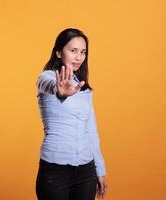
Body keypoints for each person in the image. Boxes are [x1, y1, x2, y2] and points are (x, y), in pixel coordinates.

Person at [35, 28, 108, 200]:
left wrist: (100, 169)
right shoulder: (46, 78)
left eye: (83, 52)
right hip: (55, 171)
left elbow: (91, 130)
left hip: (86, 171)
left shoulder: (84, 89)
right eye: (73, 50)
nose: (78, 57)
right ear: (59, 52)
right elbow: (48, 85)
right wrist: (59, 91)